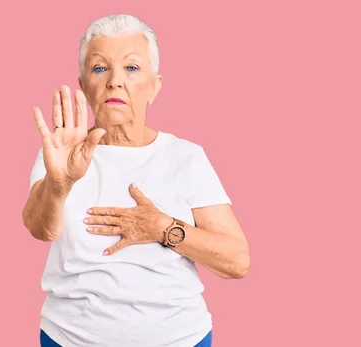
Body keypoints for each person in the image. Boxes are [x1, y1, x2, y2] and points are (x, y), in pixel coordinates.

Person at [22, 13, 250, 347]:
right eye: (100, 68)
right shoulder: (61, 153)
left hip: (180, 339)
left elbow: (236, 261)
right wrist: (60, 185)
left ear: (155, 86)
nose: (115, 81)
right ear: (84, 86)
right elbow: (41, 230)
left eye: (131, 68)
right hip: (69, 338)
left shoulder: (186, 157)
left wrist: (162, 228)